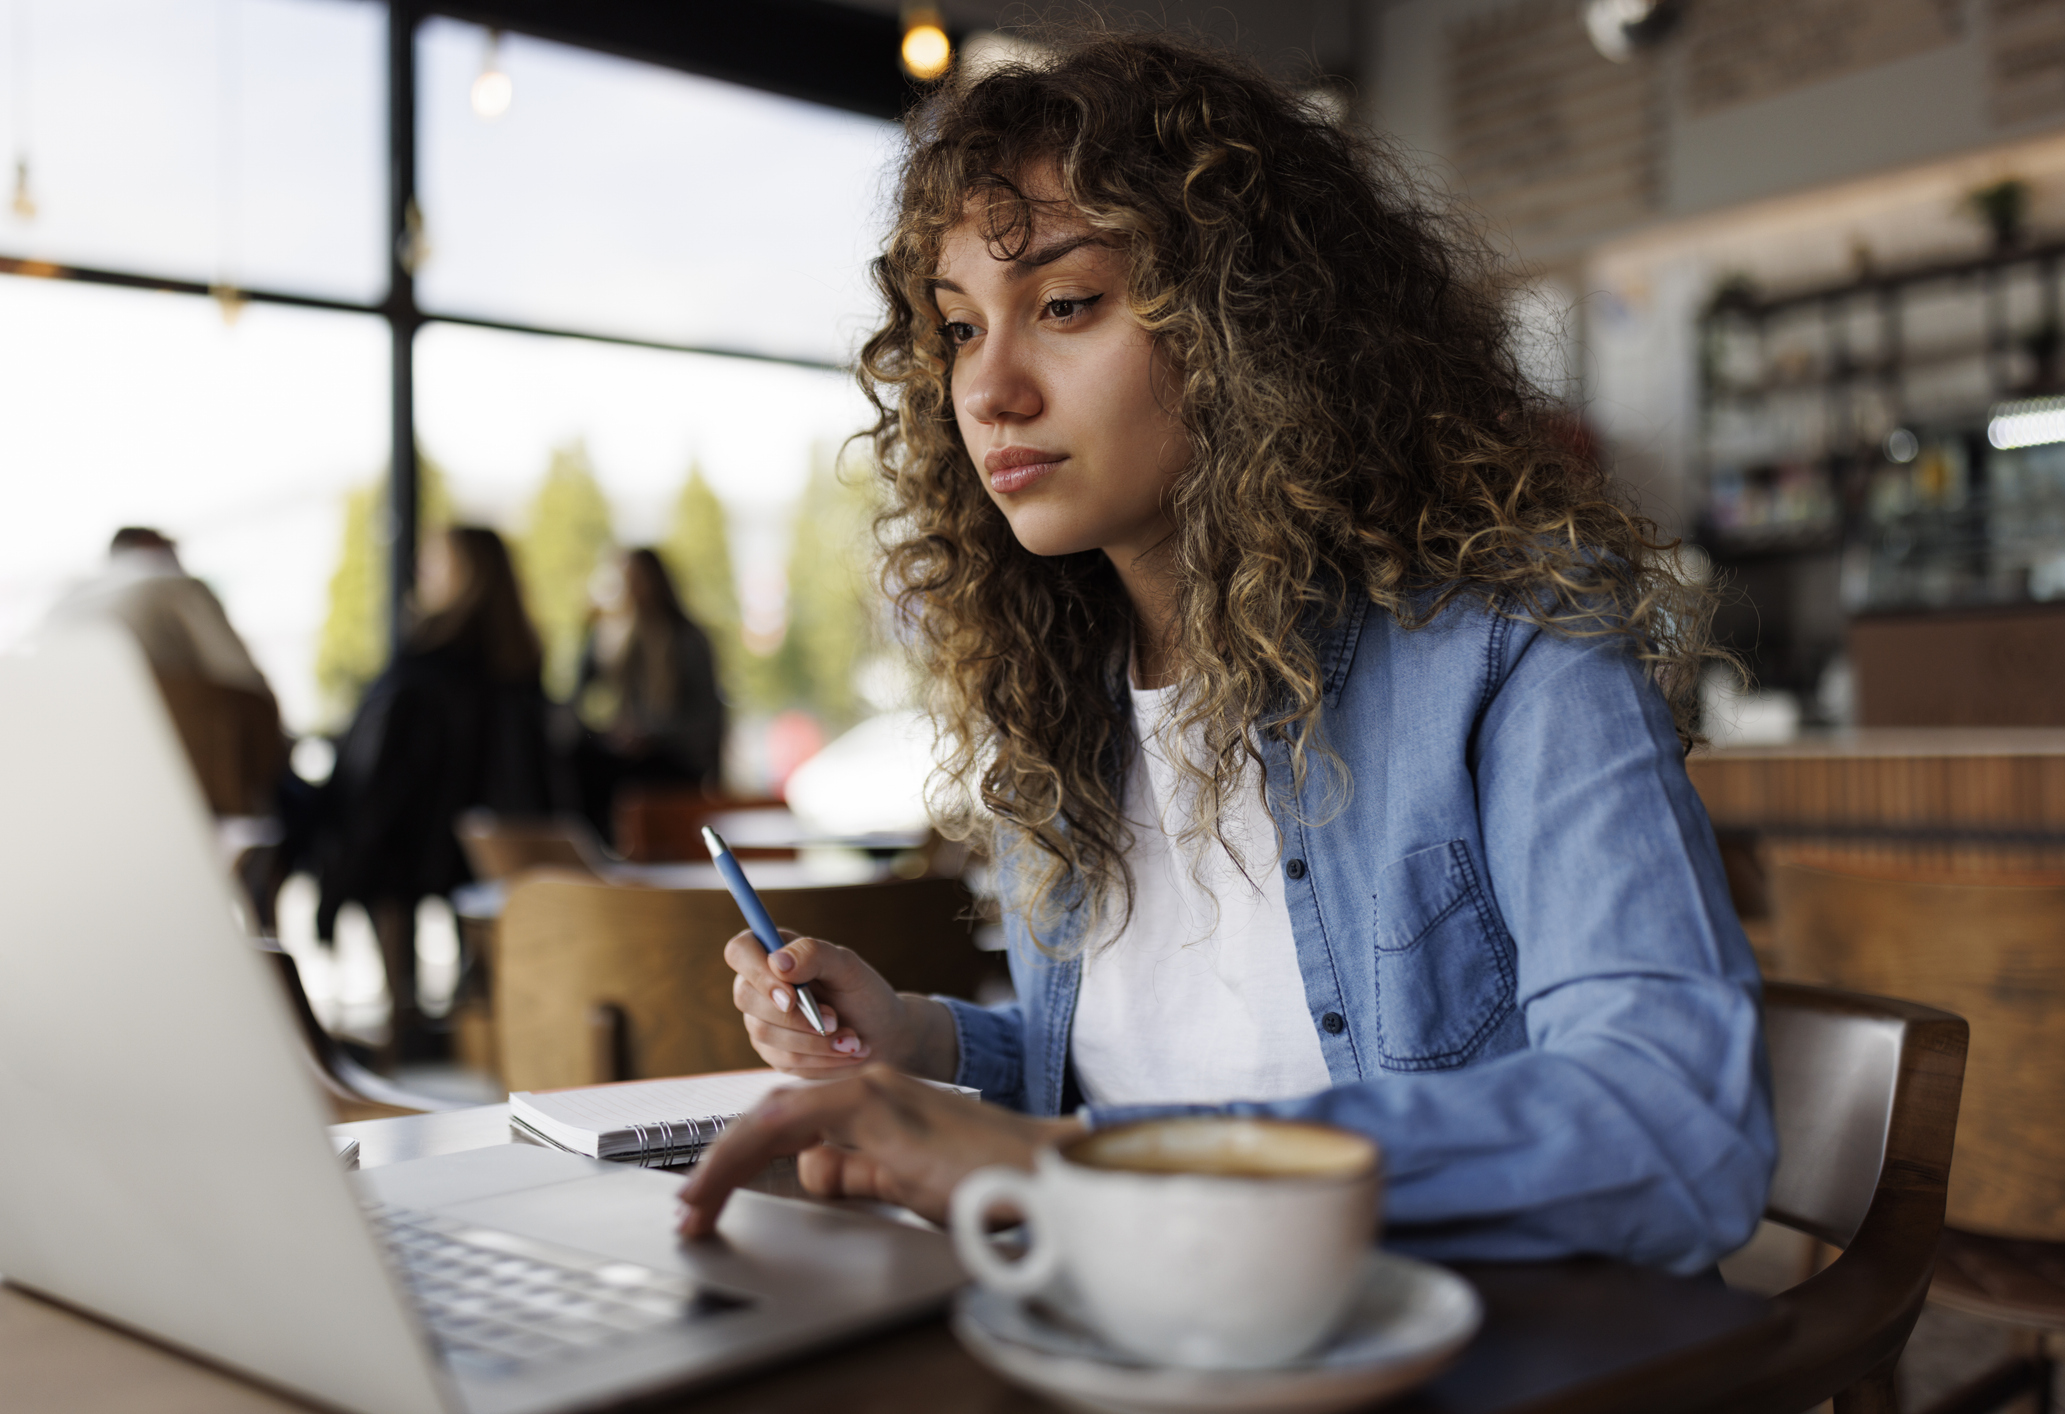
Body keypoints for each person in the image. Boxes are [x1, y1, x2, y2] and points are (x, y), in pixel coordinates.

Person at [677, 32, 1775, 1275]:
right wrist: (927, 1046)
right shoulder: (1060, 689)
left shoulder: (1510, 642)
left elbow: (1676, 1125)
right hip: (1144, 1323)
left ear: (1248, 324)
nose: (987, 390)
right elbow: (1157, 1073)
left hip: (1437, 1345)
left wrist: (1052, 1166)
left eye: (1065, 304)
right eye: (957, 328)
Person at [305, 526, 558, 1065]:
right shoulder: (523, 661)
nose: (421, 573)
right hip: (492, 847)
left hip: (411, 845)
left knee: (358, 839)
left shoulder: (423, 659)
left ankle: (400, 1021)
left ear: (460, 574)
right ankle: (474, 1023)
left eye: (433, 562)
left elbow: (379, 777)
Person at [48, 527, 286, 816]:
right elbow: (244, 677)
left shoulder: (64, 601)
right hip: (188, 781)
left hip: (81, 779)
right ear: (150, 544)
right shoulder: (170, 581)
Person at [570, 547, 728, 839]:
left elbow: (708, 717)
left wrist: (654, 735)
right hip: (625, 753)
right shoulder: (609, 637)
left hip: (673, 757)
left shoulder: (687, 640)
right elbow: (576, 696)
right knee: (577, 761)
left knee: (639, 782)